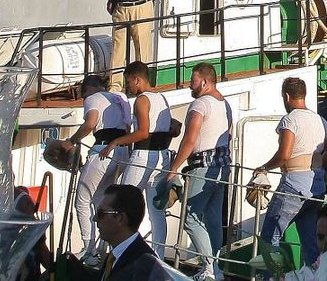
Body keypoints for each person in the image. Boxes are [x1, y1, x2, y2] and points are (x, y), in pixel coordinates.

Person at [254, 76, 327, 270]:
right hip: (316, 189)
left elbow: (284, 155)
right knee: (310, 243)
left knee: (269, 238)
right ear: (304, 95)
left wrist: (264, 168)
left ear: (286, 96)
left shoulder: (290, 120)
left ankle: (271, 276)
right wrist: (318, 166)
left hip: (293, 186)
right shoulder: (320, 120)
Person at [163, 63, 234, 281]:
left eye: (192, 81)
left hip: (202, 166)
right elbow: (229, 135)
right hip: (222, 166)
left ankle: (210, 268)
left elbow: (190, 139)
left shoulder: (200, 104)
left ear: (204, 82)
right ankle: (215, 268)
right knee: (213, 218)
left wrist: (173, 168)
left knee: (190, 218)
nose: (189, 85)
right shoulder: (225, 104)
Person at [101, 61, 175, 255]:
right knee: (156, 212)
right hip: (162, 157)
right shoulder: (162, 98)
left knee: (123, 202)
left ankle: (120, 251)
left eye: (128, 82)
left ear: (137, 79)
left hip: (144, 155)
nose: (128, 87)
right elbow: (172, 127)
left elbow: (143, 132)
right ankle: (158, 254)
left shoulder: (142, 100)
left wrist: (115, 142)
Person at [68, 73, 134, 264]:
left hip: (104, 151)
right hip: (122, 152)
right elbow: (127, 128)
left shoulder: (93, 98)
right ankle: (103, 248)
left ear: (87, 89)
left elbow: (90, 123)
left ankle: (89, 251)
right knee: (101, 200)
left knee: (82, 199)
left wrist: (71, 141)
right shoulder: (119, 98)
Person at [93, 184, 171, 281]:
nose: (95, 218)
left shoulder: (142, 266)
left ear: (120, 218)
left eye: (101, 213)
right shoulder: (116, 255)